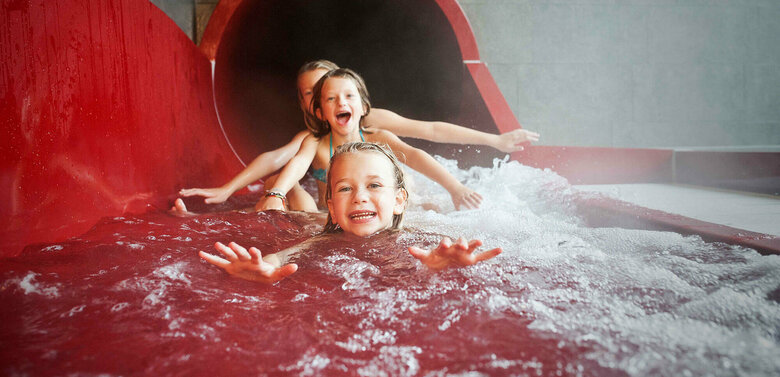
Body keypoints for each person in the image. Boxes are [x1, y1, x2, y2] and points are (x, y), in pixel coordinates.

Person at [179, 60, 540, 211]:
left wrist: (493, 143)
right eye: (315, 95)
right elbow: (281, 160)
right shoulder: (313, 140)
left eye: (343, 93)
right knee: (280, 184)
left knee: (414, 199)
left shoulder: (373, 125)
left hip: (389, 198)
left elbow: (428, 134)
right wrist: (232, 189)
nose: (336, 101)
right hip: (339, 209)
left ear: (358, 98)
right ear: (312, 105)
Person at [198, 142, 502, 284]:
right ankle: (286, 188)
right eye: (345, 189)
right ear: (332, 207)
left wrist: (445, 265)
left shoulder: (418, 238)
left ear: (399, 201)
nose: (359, 197)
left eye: (374, 185)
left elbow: (443, 253)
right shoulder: (324, 241)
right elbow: (278, 258)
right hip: (311, 219)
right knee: (300, 211)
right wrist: (258, 269)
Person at [256, 67, 487, 212]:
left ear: (364, 107)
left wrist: (455, 188)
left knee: (420, 205)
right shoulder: (316, 143)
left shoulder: (377, 137)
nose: (341, 102)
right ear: (320, 112)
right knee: (281, 186)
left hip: (378, 208)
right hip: (334, 213)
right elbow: (297, 164)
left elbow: (414, 155)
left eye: (349, 96)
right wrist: (277, 193)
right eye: (331, 99)